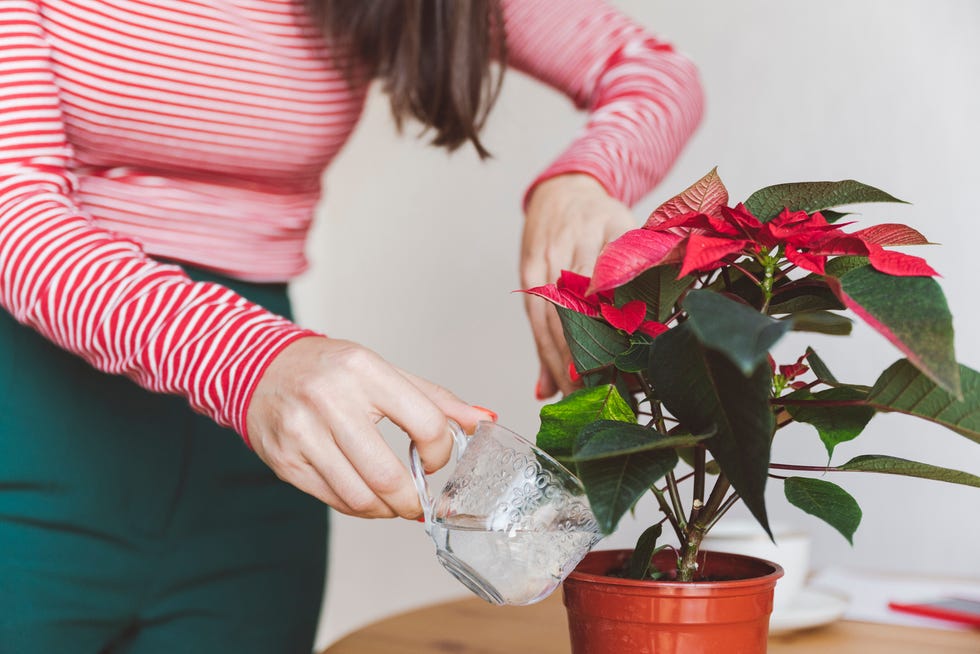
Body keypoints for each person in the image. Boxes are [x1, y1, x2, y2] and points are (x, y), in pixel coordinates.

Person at [0, 0, 703, 651]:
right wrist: (251, 361)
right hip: (41, 428)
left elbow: (656, 72)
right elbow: (15, 211)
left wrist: (581, 183)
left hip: (252, 471)